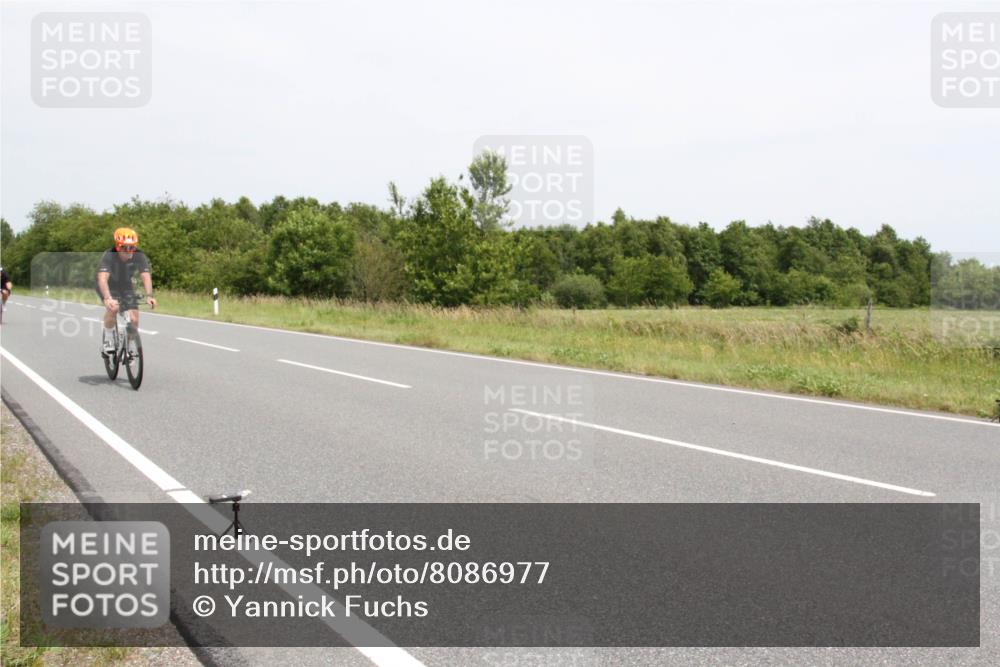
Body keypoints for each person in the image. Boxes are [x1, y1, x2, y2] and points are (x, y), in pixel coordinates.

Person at [95, 227, 156, 355]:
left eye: (131, 247)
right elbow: (102, 278)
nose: (129, 251)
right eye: (124, 247)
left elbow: (145, 275)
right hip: (108, 285)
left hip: (125, 285)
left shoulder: (139, 255)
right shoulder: (109, 255)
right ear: (117, 247)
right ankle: (109, 337)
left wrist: (149, 295)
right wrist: (107, 298)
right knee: (114, 308)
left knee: (134, 319)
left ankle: (130, 347)